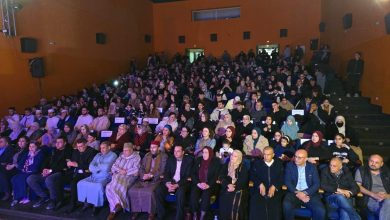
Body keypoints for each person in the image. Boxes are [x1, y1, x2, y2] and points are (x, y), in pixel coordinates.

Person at [27, 136, 73, 210]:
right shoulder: (54, 150)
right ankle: (44, 197)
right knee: (31, 179)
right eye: (56, 142)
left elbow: (64, 166)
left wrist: (50, 171)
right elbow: (46, 161)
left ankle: (53, 200)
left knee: (49, 179)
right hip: (49, 171)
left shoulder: (69, 151)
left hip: (61, 173)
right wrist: (44, 169)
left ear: (65, 143)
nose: (57, 144)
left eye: (60, 142)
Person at [128, 141, 168, 220]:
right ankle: (136, 210)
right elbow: (141, 167)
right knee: (131, 190)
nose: (152, 149)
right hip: (144, 178)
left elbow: (163, 170)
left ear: (158, 148)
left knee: (149, 193)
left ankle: (151, 212)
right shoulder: (147, 155)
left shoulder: (164, 156)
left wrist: (151, 175)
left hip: (156, 179)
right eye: (151, 147)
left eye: (154, 147)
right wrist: (143, 175)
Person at [283, 149, 326, 220]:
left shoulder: (312, 167)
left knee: (320, 210)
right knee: (286, 205)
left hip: (309, 193)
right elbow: (287, 181)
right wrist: (299, 193)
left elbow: (316, 183)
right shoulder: (290, 165)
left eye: (299, 158)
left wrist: (305, 193)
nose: (296, 159)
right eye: (295, 156)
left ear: (306, 159)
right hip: (294, 192)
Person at [77, 141, 117, 216]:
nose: (101, 150)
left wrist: (97, 166)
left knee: (97, 186)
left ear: (109, 147)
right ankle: (87, 202)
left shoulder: (113, 155)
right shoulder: (98, 154)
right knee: (81, 183)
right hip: (94, 175)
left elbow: (107, 168)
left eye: (104, 148)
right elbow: (90, 166)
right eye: (101, 148)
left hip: (105, 177)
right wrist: (100, 167)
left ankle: (97, 206)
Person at [155, 145, 194, 220]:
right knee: (158, 190)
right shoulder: (171, 159)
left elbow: (188, 176)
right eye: (175, 151)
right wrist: (168, 184)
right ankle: (161, 215)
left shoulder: (189, 160)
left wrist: (177, 185)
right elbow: (166, 173)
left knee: (180, 192)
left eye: (178, 151)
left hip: (183, 183)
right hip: (171, 182)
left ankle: (179, 217)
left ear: (183, 152)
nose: (175, 153)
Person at [106, 142, 141, 220]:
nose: (125, 152)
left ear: (132, 150)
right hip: (118, 175)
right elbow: (114, 166)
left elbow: (136, 169)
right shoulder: (121, 156)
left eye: (127, 150)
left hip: (129, 177)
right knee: (108, 187)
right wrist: (120, 170)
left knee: (117, 186)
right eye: (124, 150)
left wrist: (125, 172)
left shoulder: (136, 157)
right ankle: (117, 206)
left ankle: (114, 210)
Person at [64, 138, 98, 213]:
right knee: (61, 179)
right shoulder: (76, 151)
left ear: (86, 144)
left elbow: (90, 166)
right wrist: (69, 164)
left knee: (74, 183)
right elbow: (73, 160)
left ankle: (74, 204)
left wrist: (77, 165)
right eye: (78, 146)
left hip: (87, 173)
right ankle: (62, 201)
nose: (79, 148)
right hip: (76, 172)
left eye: (81, 146)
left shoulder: (92, 152)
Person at [249, 147, 284, 220]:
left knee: (275, 206)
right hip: (259, 189)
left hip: (275, 190)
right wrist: (260, 184)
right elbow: (252, 175)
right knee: (255, 203)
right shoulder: (257, 163)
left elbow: (282, 177)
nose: (265, 156)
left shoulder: (279, 164)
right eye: (264, 154)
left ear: (273, 155)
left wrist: (274, 186)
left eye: (268, 155)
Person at [10, 141, 45, 206]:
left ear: (37, 147)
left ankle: (25, 197)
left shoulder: (40, 154)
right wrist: (22, 168)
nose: (31, 148)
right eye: (30, 146)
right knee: (14, 178)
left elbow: (37, 166)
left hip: (34, 172)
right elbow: (20, 164)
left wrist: (32, 157)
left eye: (33, 146)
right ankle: (17, 197)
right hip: (24, 171)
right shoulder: (27, 153)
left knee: (22, 178)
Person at [355, 154, 390, 220]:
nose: (373, 164)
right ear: (368, 161)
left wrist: (387, 196)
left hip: (386, 197)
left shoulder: (387, 172)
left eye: (376, 162)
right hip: (370, 199)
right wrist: (373, 194)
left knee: (388, 202)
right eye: (371, 161)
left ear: (381, 164)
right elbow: (358, 186)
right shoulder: (362, 170)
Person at [190, 147, 221, 220]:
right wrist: (198, 183)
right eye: (203, 152)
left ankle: (202, 215)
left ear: (210, 153)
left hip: (210, 184)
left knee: (206, 195)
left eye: (206, 152)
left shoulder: (216, 161)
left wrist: (208, 184)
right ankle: (194, 215)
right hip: (199, 183)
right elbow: (193, 173)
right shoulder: (198, 160)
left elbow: (216, 175)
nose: (204, 154)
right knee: (194, 194)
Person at [219, 150, 249, 220]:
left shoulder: (243, 167)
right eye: (232, 155)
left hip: (239, 189)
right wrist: (228, 185)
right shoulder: (227, 164)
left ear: (239, 158)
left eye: (235, 156)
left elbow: (243, 181)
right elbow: (221, 176)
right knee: (224, 201)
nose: (232, 157)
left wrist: (234, 187)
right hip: (227, 187)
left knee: (234, 203)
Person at [0, 137, 16, 201]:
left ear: (6, 143)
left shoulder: (10, 149)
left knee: (1, 173)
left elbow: (6, 160)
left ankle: (7, 192)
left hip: (8, 168)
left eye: (1, 142)